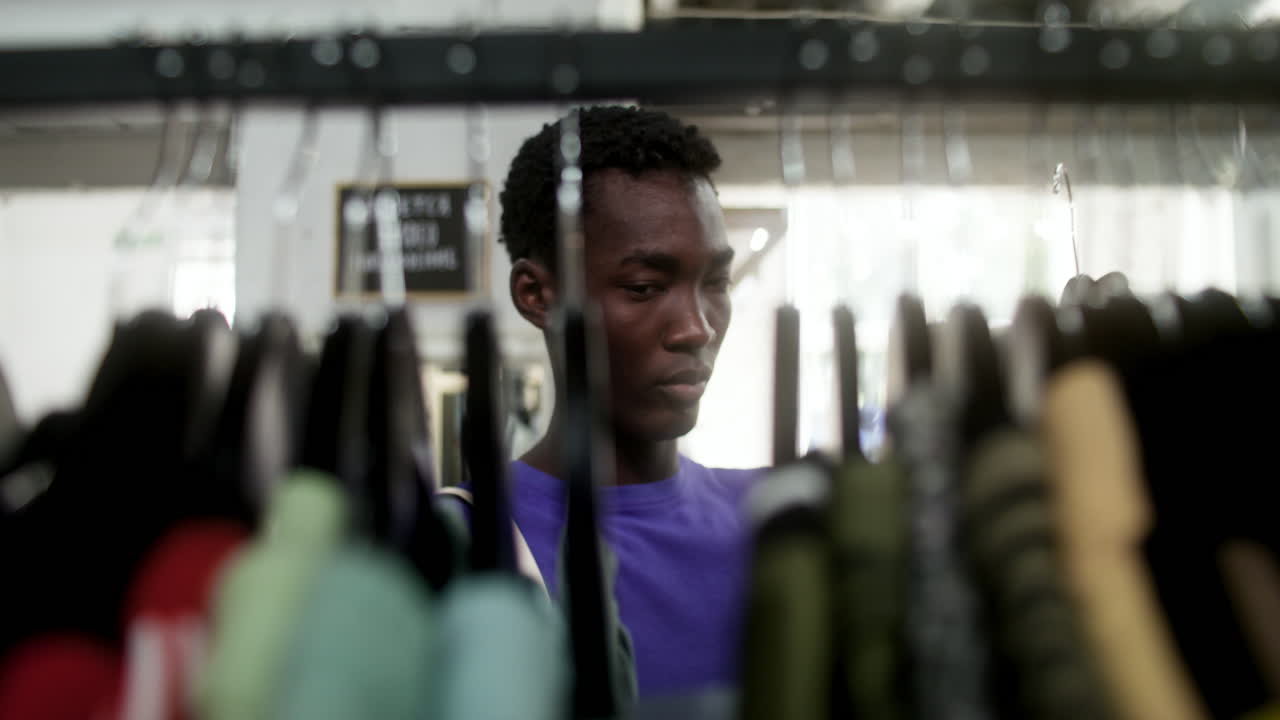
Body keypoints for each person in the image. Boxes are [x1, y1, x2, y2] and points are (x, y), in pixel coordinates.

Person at [488, 105, 762, 697]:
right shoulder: (469, 539)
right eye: (645, 288)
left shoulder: (774, 519)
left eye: (715, 283)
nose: (697, 328)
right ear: (537, 294)